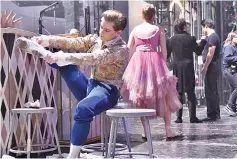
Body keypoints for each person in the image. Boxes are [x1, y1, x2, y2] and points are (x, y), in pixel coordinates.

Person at [17, 10, 128, 158]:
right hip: (91, 86)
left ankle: (73, 156)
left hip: (108, 90)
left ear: (118, 32)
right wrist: (47, 40)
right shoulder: (97, 40)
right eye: (101, 27)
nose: (102, 32)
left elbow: (93, 58)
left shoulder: (121, 49)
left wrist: (62, 56)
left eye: (106, 30)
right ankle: (43, 52)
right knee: (67, 67)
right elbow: (74, 42)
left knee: (83, 108)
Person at [121, 4, 182, 140]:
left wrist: (132, 65)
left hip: (139, 63)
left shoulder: (135, 30)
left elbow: (128, 49)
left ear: (142, 15)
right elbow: (164, 52)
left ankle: (145, 131)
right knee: (165, 96)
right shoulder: (158, 29)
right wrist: (161, 63)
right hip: (155, 61)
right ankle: (168, 131)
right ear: (154, 15)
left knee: (141, 97)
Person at [166, 19, 206, 123]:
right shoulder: (190, 38)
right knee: (190, 92)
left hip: (177, 67)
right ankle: (192, 117)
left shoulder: (171, 39)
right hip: (188, 67)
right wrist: (203, 41)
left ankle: (179, 117)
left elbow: (166, 55)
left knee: (179, 92)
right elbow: (198, 51)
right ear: (184, 27)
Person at [199, 19, 221, 121]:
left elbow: (210, 52)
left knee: (210, 90)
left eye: (203, 27)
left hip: (211, 66)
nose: (203, 29)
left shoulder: (212, 37)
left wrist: (205, 66)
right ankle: (215, 113)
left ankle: (212, 114)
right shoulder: (212, 37)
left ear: (207, 26)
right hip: (213, 65)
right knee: (212, 90)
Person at [222, 32, 237, 116]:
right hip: (229, 70)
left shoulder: (234, 47)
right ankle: (229, 106)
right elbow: (226, 58)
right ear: (232, 38)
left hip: (233, 70)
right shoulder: (229, 47)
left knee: (233, 89)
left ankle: (233, 108)